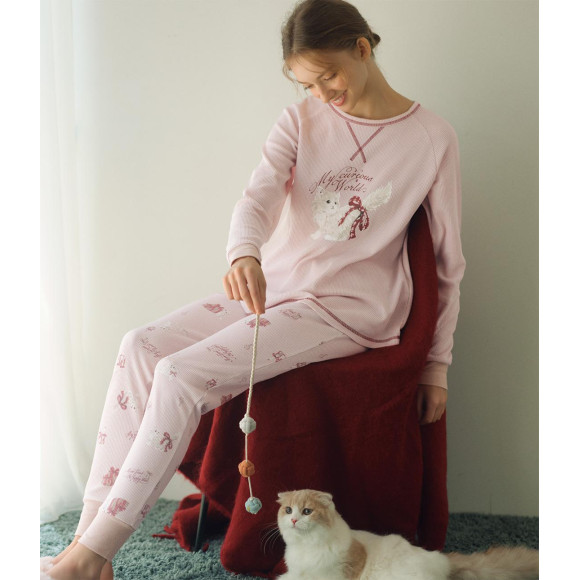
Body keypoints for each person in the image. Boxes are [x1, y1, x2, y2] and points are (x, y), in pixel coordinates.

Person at [42, 0, 465, 578]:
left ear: (363, 49)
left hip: (345, 311)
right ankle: (85, 543)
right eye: (306, 84)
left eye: (328, 76)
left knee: (180, 375)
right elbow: (258, 197)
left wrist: (436, 365)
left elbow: (446, 262)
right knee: (140, 346)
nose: (322, 93)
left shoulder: (431, 138)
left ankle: (94, 555)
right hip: (280, 290)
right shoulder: (301, 121)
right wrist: (245, 252)